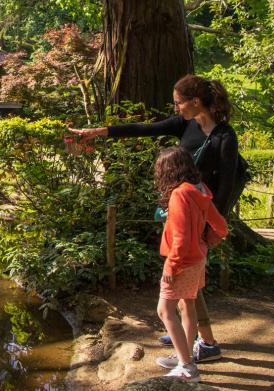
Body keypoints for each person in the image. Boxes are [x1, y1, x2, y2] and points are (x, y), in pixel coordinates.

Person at [70, 74, 239, 362]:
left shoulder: (224, 137)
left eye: (178, 103)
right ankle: (187, 335)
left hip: (199, 219)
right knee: (187, 285)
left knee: (187, 283)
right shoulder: (186, 124)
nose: (175, 108)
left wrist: (212, 230)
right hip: (178, 211)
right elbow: (142, 129)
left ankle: (204, 342)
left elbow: (225, 187)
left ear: (195, 102)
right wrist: (100, 132)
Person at [152, 146, 228, 381]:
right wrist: (207, 242)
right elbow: (221, 227)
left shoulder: (179, 194)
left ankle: (187, 367)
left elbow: (181, 240)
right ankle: (184, 355)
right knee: (187, 306)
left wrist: (171, 267)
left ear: (169, 170)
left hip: (182, 261)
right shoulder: (200, 189)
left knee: (164, 310)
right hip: (197, 259)